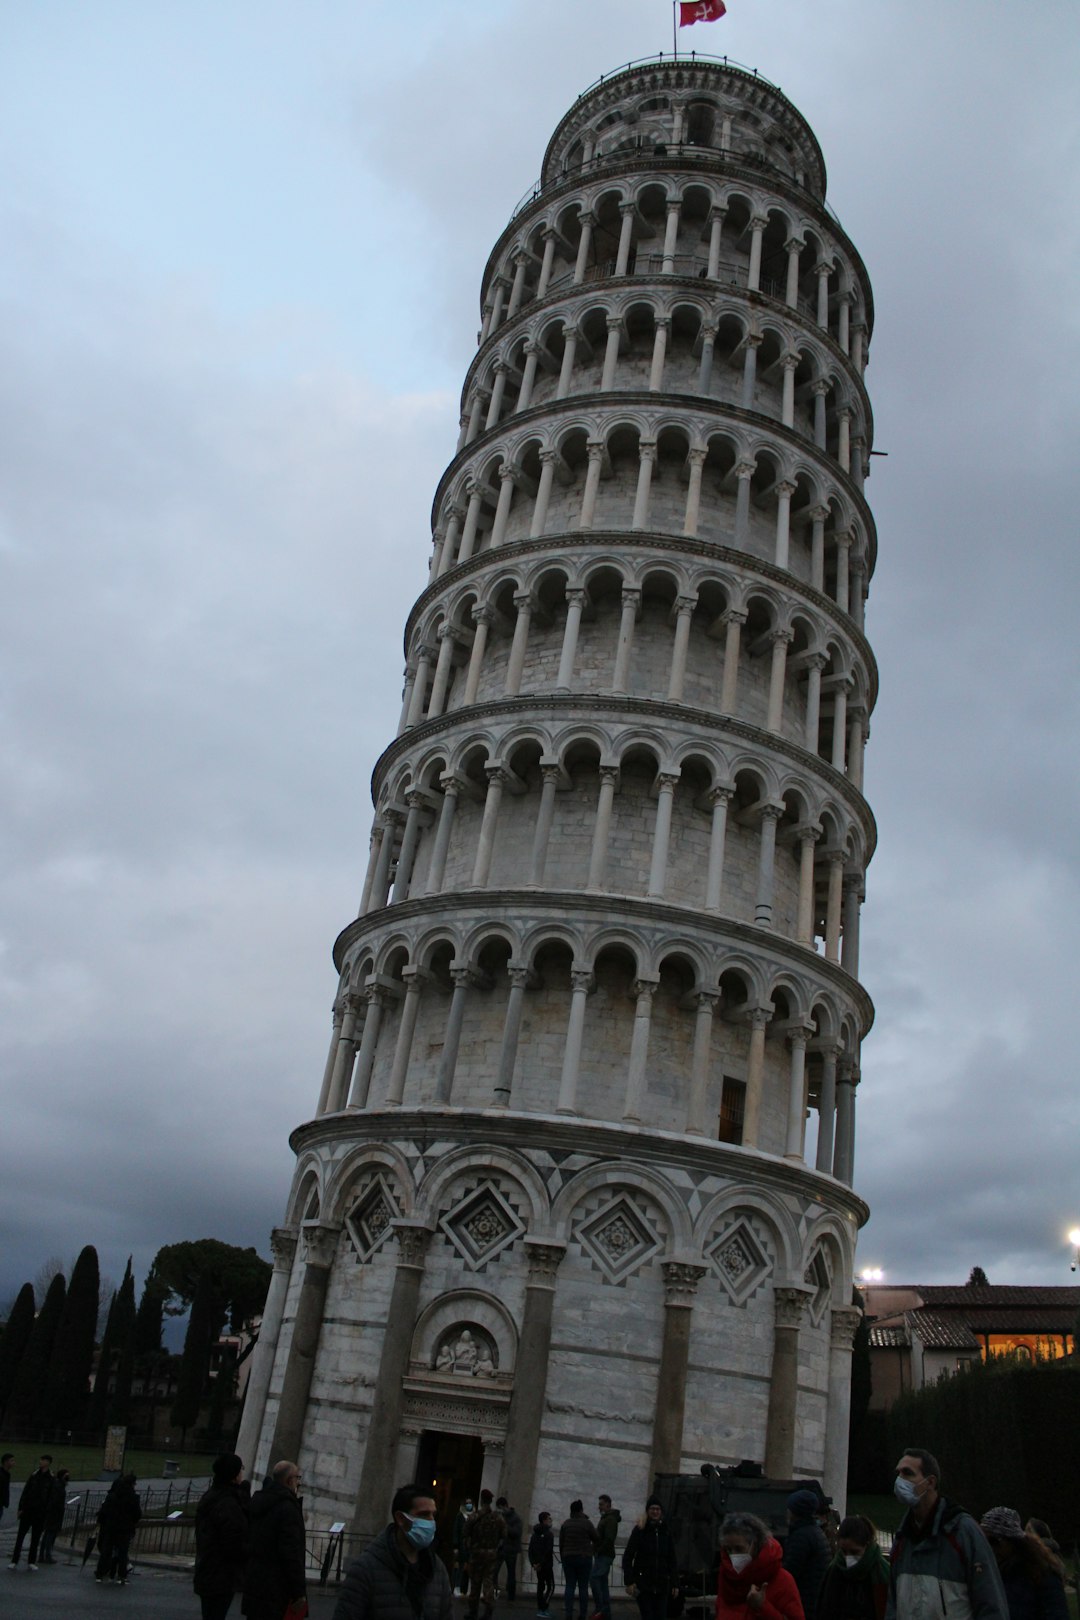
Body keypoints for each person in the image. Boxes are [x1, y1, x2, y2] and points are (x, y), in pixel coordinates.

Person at [885, 1449, 1008, 1620]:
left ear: (930, 1482)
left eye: (907, 1473)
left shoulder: (963, 1532)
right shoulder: (902, 1538)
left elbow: (990, 1602)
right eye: (898, 1473)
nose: (899, 1480)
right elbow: (893, 1604)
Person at [331, 1481, 453, 1620]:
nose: (431, 1521)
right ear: (401, 1518)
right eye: (424, 1514)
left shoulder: (437, 1569)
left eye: (433, 1515)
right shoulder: (365, 1569)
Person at [242, 1459, 307, 1620]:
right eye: (297, 1478)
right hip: (277, 1588)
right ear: (289, 1480)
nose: (298, 1482)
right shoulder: (287, 1508)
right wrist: (299, 1591)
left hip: (255, 1582)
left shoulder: (258, 1501)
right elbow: (290, 1553)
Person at [979, 1508, 1068, 1620]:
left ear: (1013, 1541)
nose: (989, 1548)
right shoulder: (987, 1574)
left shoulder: (1043, 1575)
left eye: (994, 1541)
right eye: (983, 1541)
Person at [715, 1511, 804, 1620]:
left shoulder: (782, 1580)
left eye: (739, 1549)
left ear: (755, 1544)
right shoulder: (726, 1577)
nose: (733, 1555)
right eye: (728, 1549)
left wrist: (762, 1607)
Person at [194, 1452, 250, 1620]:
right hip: (221, 1574)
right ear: (234, 1475)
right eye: (240, 1469)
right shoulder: (228, 1503)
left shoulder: (212, 1496)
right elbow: (233, 1542)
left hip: (208, 1568)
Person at [817, 1515, 889, 1620]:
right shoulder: (834, 1569)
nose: (848, 1557)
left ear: (867, 1545)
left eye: (854, 1552)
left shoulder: (882, 1572)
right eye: (844, 1552)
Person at [622, 1496, 678, 1620]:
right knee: (648, 1616)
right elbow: (628, 1556)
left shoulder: (666, 1531)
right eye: (652, 1508)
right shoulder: (640, 1530)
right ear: (648, 1511)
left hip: (662, 1584)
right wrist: (629, 1581)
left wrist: (675, 1583)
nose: (655, 1511)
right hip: (644, 1584)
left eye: (658, 1509)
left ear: (661, 1512)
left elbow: (672, 1559)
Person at [783, 1490, 830, 1620]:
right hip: (813, 1600)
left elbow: (790, 1571)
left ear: (794, 1512)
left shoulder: (801, 1536)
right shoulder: (815, 1532)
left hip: (805, 1601)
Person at [95, 1471, 142, 1584]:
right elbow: (137, 1514)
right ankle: (121, 1576)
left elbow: (104, 1511)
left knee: (106, 1551)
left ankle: (100, 1573)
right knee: (122, 1553)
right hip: (125, 1528)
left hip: (111, 1527)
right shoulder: (133, 1497)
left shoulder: (112, 1496)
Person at [9, 1454, 55, 1570]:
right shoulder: (34, 1475)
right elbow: (26, 1491)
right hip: (28, 1509)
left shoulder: (51, 1478)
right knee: (20, 1536)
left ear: (48, 1462)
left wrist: (47, 1512)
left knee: (35, 1538)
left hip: (40, 1512)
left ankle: (31, 1561)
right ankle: (14, 1560)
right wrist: (21, 1508)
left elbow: (51, 1496)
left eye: (43, 1460)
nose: (41, 1462)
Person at [467, 1489, 507, 1620]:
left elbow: (465, 1532)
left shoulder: (475, 1516)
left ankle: (473, 1612)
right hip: (491, 1553)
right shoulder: (498, 1517)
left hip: (476, 1553)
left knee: (475, 1583)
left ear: (481, 1500)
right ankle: (488, 1610)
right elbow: (504, 1534)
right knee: (488, 1581)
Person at [560, 1499, 598, 1620]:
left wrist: (563, 1556)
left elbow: (561, 1543)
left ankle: (568, 1614)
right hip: (584, 1558)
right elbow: (596, 1538)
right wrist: (591, 1550)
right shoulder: (587, 1523)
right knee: (583, 1587)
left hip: (568, 1557)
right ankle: (582, 1615)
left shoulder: (566, 1524)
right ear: (581, 1510)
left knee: (569, 1586)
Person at [591, 1495, 621, 1620]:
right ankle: (605, 1612)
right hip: (603, 1554)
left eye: (601, 1504)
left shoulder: (610, 1520)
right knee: (602, 1583)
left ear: (608, 1504)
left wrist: (598, 1550)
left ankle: (601, 1609)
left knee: (594, 1578)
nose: (599, 1507)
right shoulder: (606, 1518)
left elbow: (609, 1539)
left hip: (604, 1555)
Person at [39, 1467, 71, 1564]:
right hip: (54, 1513)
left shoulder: (57, 1485)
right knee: (50, 1535)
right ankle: (47, 1555)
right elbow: (56, 1501)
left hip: (52, 1512)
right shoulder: (59, 1487)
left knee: (47, 1534)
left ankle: (42, 1555)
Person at [496, 1496, 524, 1601]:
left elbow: (516, 1533)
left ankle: (511, 1596)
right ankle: (493, 1593)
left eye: (501, 1508)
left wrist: (505, 1525)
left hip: (511, 1549)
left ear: (505, 1506)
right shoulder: (501, 1517)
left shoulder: (515, 1518)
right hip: (501, 1548)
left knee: (511, 1573)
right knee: (494, 1571)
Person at [529, 1511, 555, 1619]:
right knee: (551, 1587)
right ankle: (544, 1607)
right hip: (546, 1565)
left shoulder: (534, 1534)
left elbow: (530, 1550)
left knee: (540, 1586)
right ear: (544, 1520)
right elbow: (548, 1551)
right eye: (549, 1519)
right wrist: (541, 1563)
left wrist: (534, 1563)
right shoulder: (549, 1534)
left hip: (538, 1566)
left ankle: (540, 1608)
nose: (551, 1520)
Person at [454, 1496, 476, 1597]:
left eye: (470, 1503)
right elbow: (456, 1531)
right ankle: (457, 1587)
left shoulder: (474, 1516)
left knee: (471, 1568)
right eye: (467, 1503)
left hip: (471, 1546)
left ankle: (469, 1589)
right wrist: (455, 1546)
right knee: (460, 1567)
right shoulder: (460, 1516)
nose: (468, 1505)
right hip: (462, 1545)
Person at [0, 1454, 12, 1529]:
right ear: (5, 1462)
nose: (14, 1462)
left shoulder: (6, 1474)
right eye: (11, 1460)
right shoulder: (2, 1474)